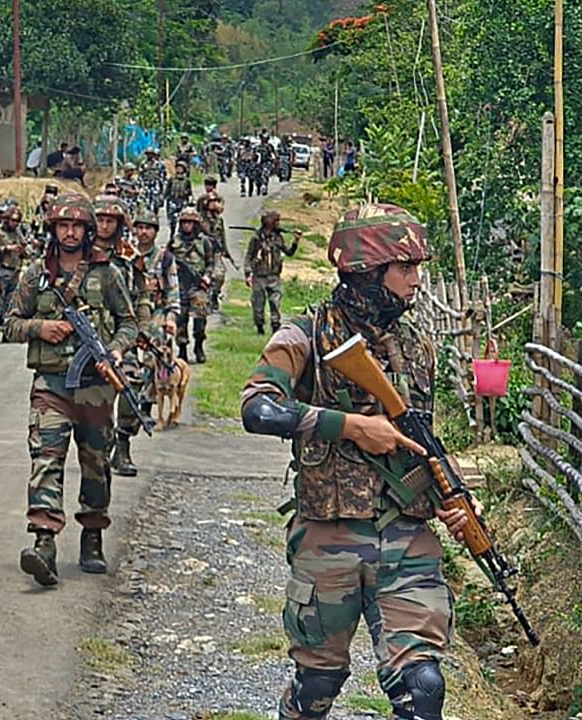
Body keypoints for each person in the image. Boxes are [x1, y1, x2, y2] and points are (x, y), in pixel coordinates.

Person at [241, 203, 477, 720]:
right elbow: (257, 408)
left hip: (406, 538)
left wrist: (450, 497)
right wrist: (347, 426)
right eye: (406, 268)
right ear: (367, 271)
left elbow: (420, 439)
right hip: (329, 538)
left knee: (423, 686)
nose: (417, 280)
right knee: (316, 688)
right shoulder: (304, 335)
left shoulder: (416, 347)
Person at [5, 193, 137, 586]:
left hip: (96, 389)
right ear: (53, 229)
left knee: (96, 461)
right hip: (51, 384)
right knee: (46, 458)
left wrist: (113, 350)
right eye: (63, 225)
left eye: (77, 226)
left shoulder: (108, 274)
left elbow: (129, 322)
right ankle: (44, 541)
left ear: (88, 230)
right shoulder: (35, 275)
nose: (69, 232)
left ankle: (92, 535)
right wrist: (40, 328)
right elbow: (10, 321)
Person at [110, 206, 179, 477]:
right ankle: (107, 445)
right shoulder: (122, 253)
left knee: (145, 372)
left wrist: (171, 317)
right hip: (118, 323)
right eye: (138, 227)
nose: (143, 232)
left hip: (152, 320)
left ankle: (132, 428)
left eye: (148, 227)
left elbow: (173, 289)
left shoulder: (163, 258)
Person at [168, 207, 215, 364]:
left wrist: (207, 277)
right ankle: (182, 349)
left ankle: (199, 346)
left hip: (198, 286)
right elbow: (166, 261)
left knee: (200, 319)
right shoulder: (174, 241)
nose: (187, 225)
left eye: (190, 222)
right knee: (181, 320)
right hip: (179, 285)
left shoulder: (204, 242)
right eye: (184, 222)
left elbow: (210, 263)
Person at [245, 210, 302, 334]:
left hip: (274, 276)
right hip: (259, 276)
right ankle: (260, 327)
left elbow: (289, 252)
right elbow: (248, 256)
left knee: (275, 302)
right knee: (258, 305)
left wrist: (296, 241)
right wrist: (248, 274)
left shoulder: (278, 237)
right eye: (276, 221)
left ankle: (275, 325)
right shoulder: (256, 238)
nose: (278, 223)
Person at [0, 204, 28, 344]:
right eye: (13, 221)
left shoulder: (17, 232)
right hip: (0, 271)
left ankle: (5, 332)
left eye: (17, 221)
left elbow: (25, 247)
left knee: (10, 303)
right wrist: (7, 248)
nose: (15, 224)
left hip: (14, 271)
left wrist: (23, 251)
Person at [197, 187, 231, 313]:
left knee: (219, 276)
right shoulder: (198, 219)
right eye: (212, 202)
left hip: (215, 252)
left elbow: (222, 236)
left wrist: (225, 250)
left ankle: (214, 295)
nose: (215, 204)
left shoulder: (218, 220)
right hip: (201, 252)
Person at [164, 160, 193, 240]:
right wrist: (164, 198)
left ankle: (181, 235)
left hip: (182, 201)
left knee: (182, 219)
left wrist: (190, 199)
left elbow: (190, 192)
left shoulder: (187, 180)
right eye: (178, 167)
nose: (179, 169)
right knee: (172, 220)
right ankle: (172, 234)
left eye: (181, 168)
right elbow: (167, 190)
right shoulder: (172, 179)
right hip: (172, 202)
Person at [138, 147, 166, 212]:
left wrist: (162, 188)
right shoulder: (143, 164)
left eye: (151, 154)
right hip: (146, 185)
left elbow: (163, 175)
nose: (149, 155)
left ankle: (155, 215)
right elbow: (140, 175)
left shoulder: (159, 164)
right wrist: (140, 185)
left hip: (156, 185)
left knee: (156, 203)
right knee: (147, 202)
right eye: (148, 154)